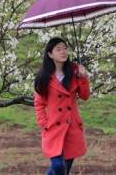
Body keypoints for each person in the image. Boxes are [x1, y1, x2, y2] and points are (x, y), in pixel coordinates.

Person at [34, 37, 91, 175]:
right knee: (58, 165)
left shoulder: (75, 71)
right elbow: (39, 104)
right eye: (58, 49)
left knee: (65, 168)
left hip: (72, 127)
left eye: (65, 48)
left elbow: (84, 96)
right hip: (54, 127)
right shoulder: (44, 76)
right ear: (50, 54)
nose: (63, 52)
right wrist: (44, 123)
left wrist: (83, 78)